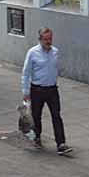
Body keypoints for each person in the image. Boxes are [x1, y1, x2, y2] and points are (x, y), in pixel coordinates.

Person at [21, 27, 72, 155]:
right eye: (45, 39)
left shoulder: (55, 51)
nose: (48, 41)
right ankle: (37, 137)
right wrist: (25, 91)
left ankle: (61, 143)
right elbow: (26, 73)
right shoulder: (32, 52)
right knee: (36, 116)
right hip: (37, 89)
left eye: (50, 39)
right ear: (40, 39)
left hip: (52, 89)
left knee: (56, 116)